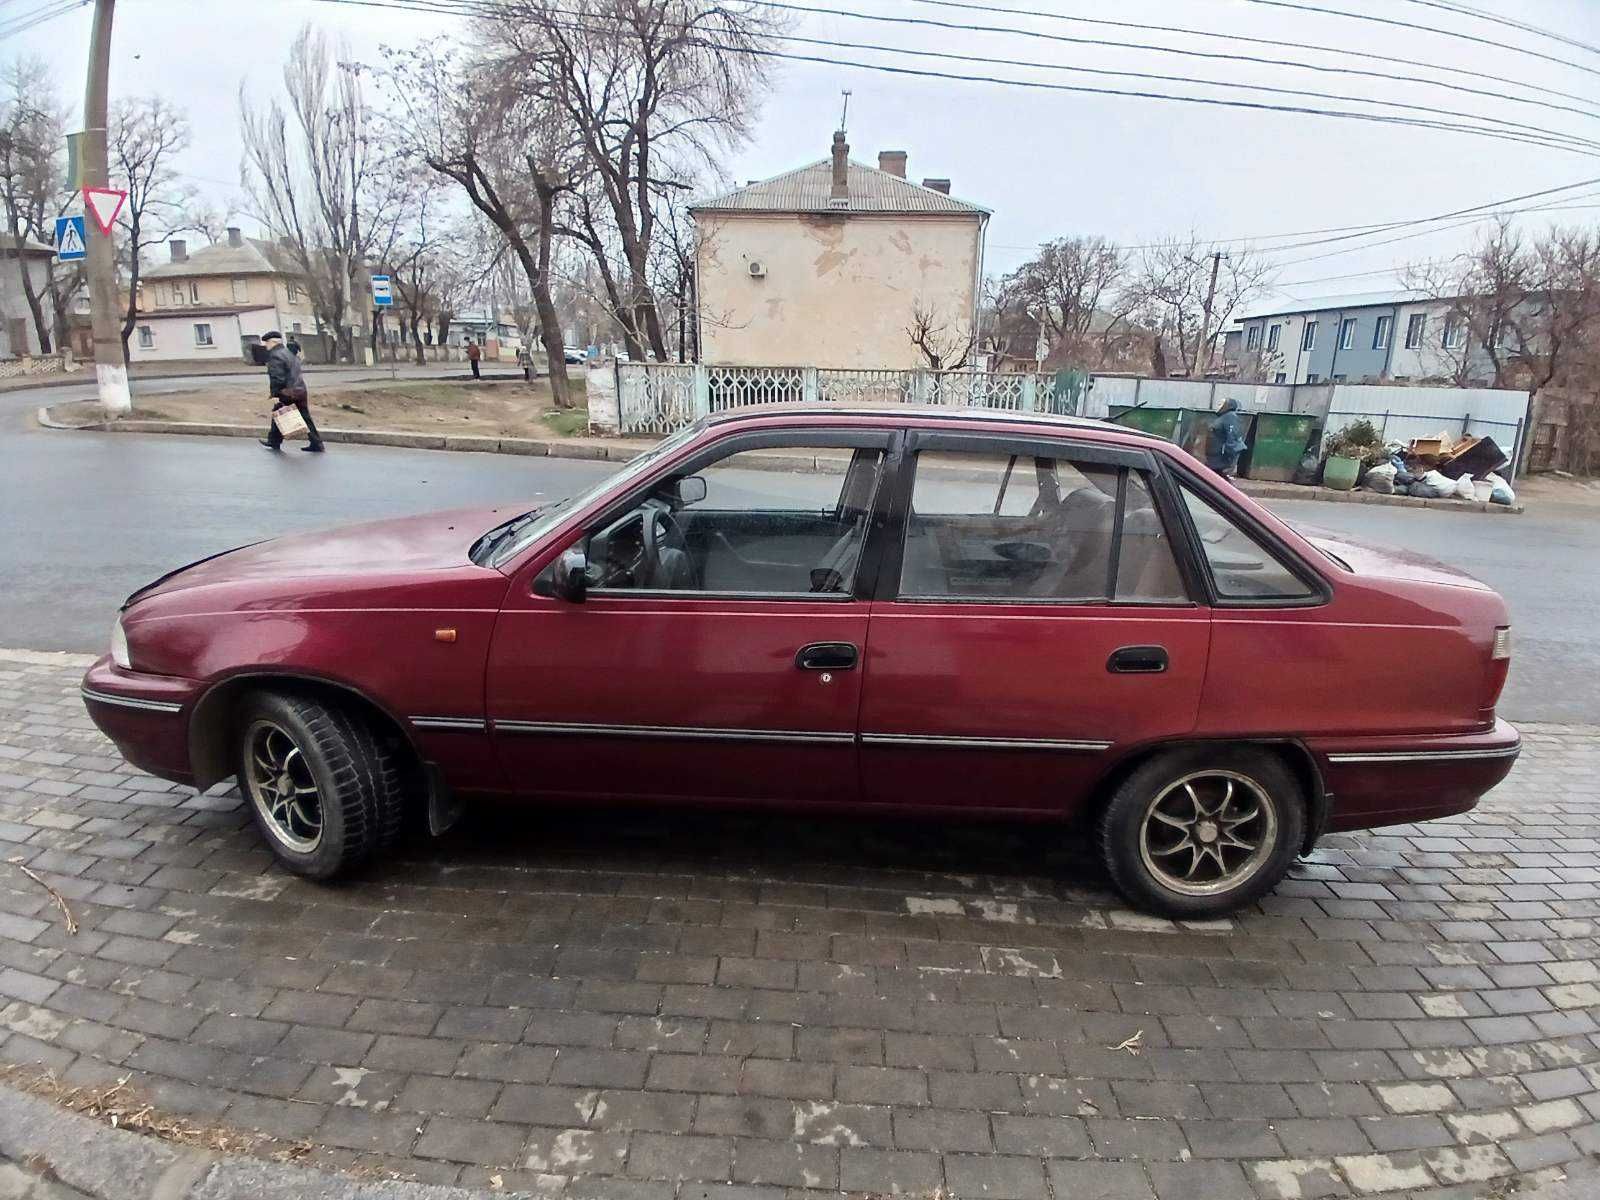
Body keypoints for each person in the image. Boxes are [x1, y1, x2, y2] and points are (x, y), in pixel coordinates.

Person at [257, 330, 325, 453]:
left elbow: (277, 377)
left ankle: (274, 441)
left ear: (272, 342)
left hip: (287, 391)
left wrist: (275, 394)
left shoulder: (275, 355)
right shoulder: (289, 353)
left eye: (267, 343)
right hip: (300, 390)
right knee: (305, 417)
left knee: (279, 411)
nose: (266, 346)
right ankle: (317, 443)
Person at [1206, 397, 1247, 477]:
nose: (1218, 406)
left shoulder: (1230, 417)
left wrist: (1228, 456)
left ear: (1228, 406)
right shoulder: (1223, 417)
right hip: (1215, 457)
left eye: (1221, 404)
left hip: (1221, 459)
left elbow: (1232, 437)